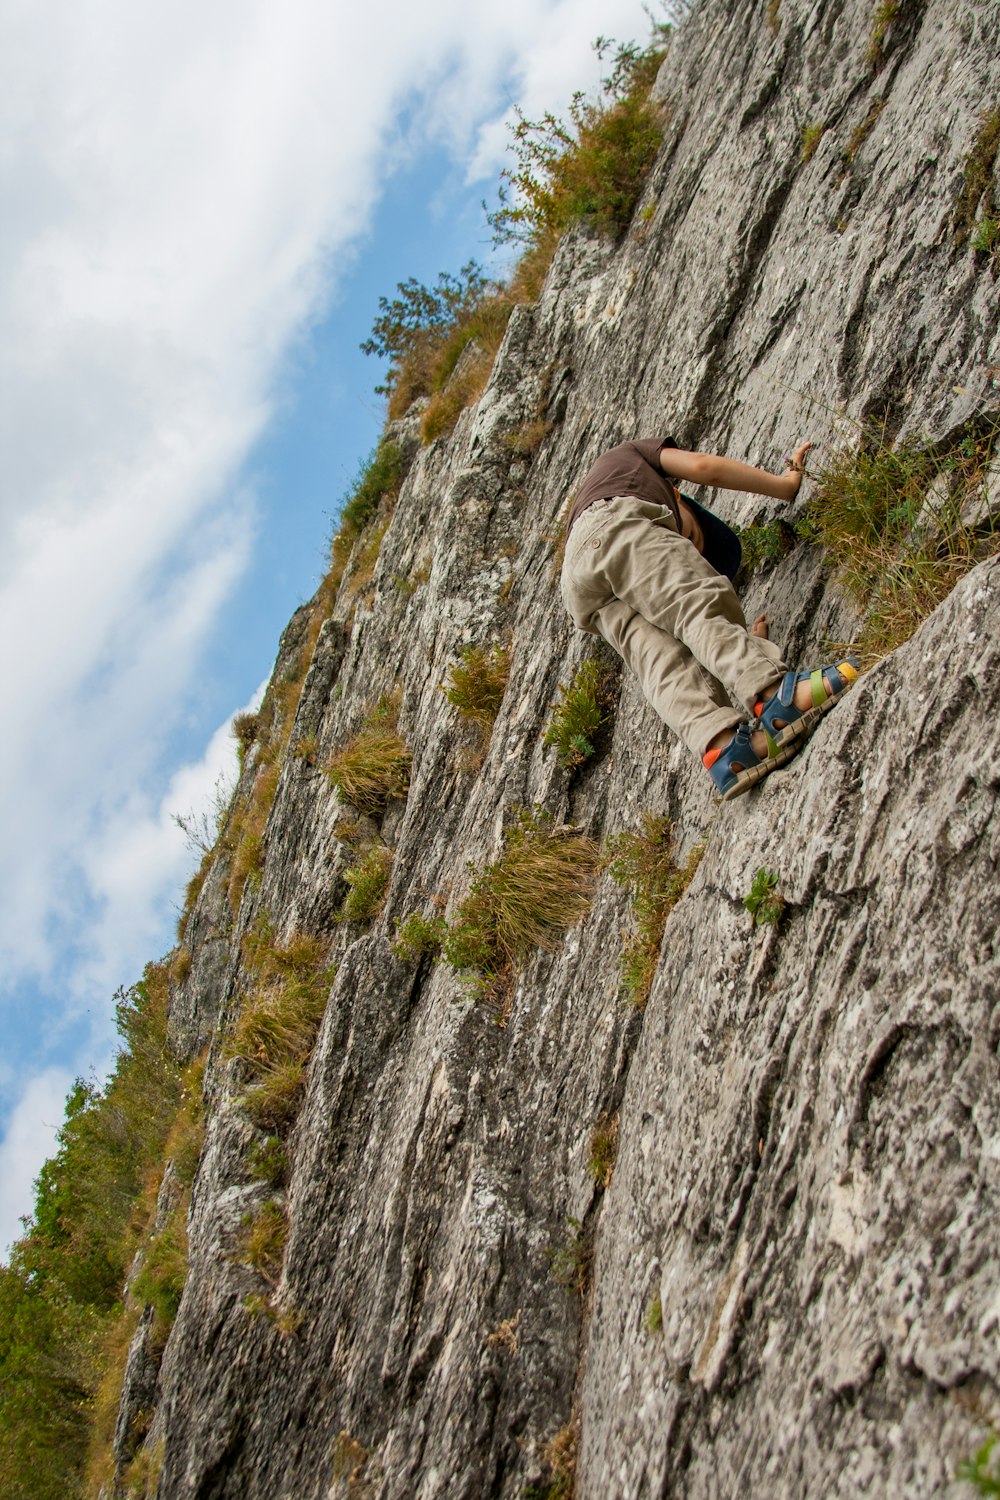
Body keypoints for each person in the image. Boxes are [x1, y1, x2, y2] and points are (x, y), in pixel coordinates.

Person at [560, 435, 859, 800]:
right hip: (615, 523)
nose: (683, 546)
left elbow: (685, 643)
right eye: (686, 536)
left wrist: (746, 638)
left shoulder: (602, 492)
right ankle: (777, 694)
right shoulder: (635, 459)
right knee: (696, 603)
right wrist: (785, 484)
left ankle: (726, 750)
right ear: (679, 499)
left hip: (577, 582)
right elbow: (706, 468)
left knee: (662, 664)